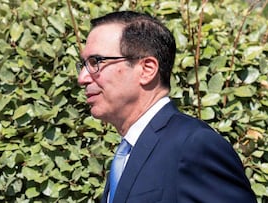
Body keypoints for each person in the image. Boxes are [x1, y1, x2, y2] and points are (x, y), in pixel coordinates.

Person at [77, 11, 256, 203]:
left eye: (96, 62)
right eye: (83, 64)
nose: (82, 78)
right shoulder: (128, 151)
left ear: (147, 69)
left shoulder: (194, 145)